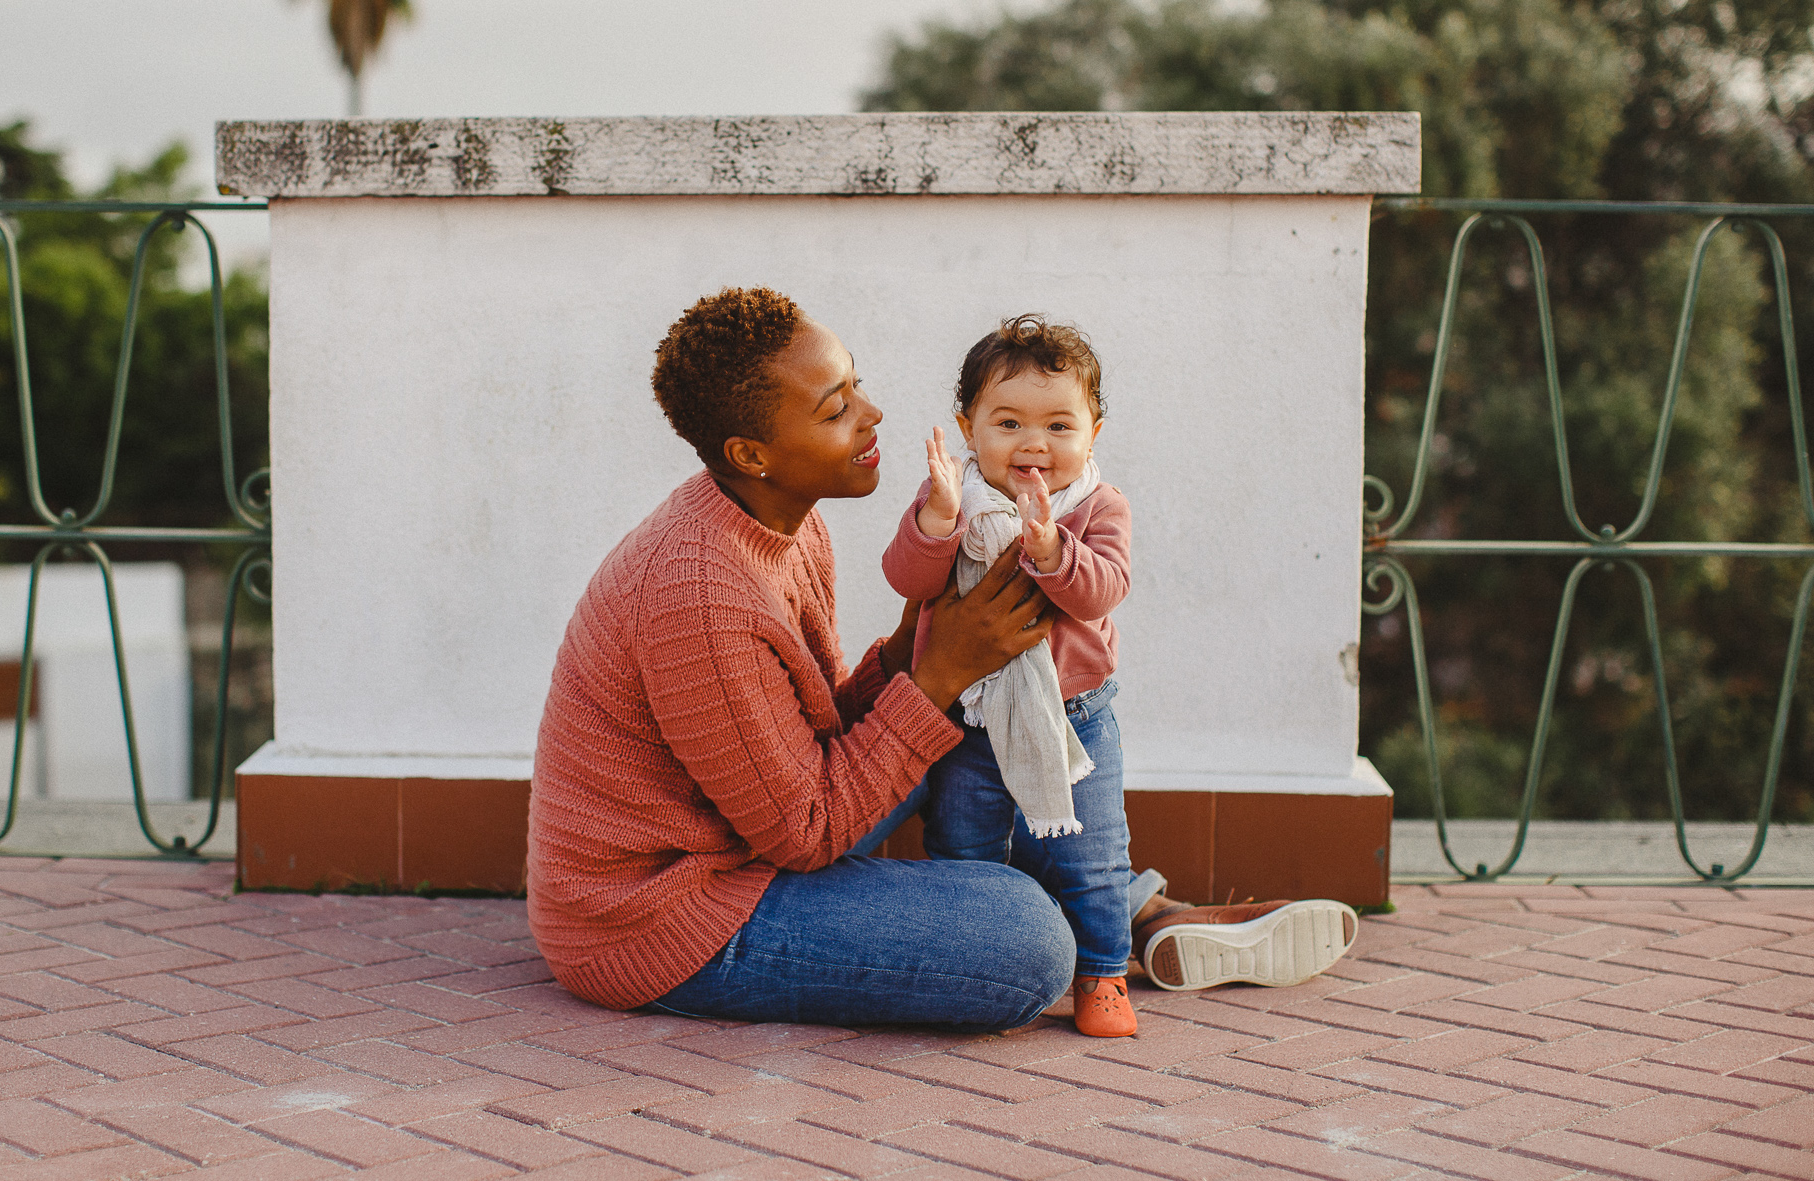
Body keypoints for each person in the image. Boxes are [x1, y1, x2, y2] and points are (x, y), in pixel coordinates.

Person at [526, 287, 1355, 1032]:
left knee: (966, 725)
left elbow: (809, 735)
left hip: (749, 828)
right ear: (753, 452)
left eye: (855, 384)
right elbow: (805, 828)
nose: (872, 413)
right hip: (668, 913)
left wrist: (919, 648)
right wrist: (940, 670)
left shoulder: (786, 522)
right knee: (1026, 941)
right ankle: (1116, 916)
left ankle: (1129, 908)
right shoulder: (700, 593)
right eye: (834, 407)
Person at [884, 316, 1358, 1035]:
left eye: (1059, 425)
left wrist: (1050, 550)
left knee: (1093, 857)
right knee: (962, 847)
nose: (1034, 444)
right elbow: (907, 579)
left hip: (1077, 718)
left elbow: (1102, 589)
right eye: (1008, 422)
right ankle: (984, 957)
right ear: (966, 426)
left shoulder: (1097, 507)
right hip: (969, 718)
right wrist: (937, 519)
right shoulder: (956, 497)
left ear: (1094, 432)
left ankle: (1102, 973)